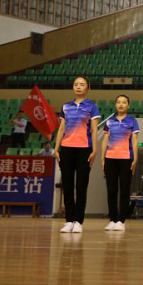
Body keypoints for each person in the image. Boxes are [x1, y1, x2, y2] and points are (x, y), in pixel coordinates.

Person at [54, 76, 101, 233]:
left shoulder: (92, 106)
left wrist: (94, 150)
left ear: (88, 88)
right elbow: (61, 129)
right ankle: (69, 220)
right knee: (67, 185)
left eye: (82, 84)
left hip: (84, 149)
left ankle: (78, 221)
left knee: (81, 185)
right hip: (66, 148)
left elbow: (94, 130)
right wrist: (56, 148)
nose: (78, 87)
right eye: (76, 84)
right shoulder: (66, 106)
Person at [100, 95, 140, 232]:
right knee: (111, 190)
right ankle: (112, 219)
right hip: (110, 158)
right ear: (115, 105)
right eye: (118, 102)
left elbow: (134, 141)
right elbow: (105, 140)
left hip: (126, 158)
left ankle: (121, 220)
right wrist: (102, 158)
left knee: (124, 190)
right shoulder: (109, 121)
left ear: (128, 105)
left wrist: (135, 159)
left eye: (124, 102)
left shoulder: (132, 121)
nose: (121, 104)